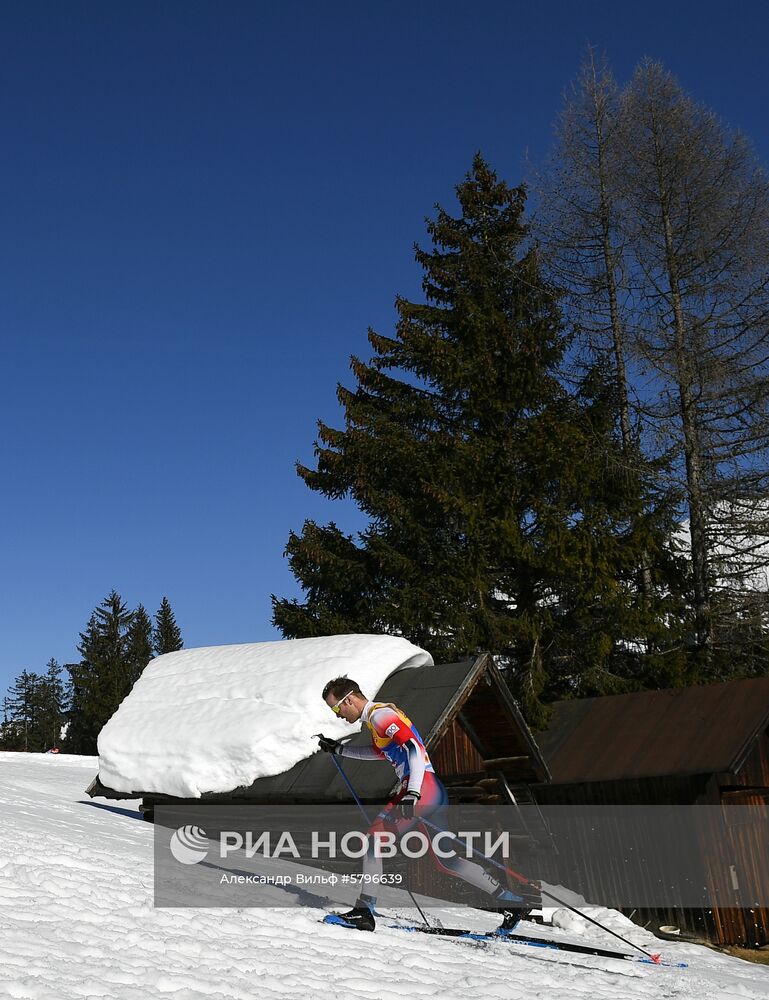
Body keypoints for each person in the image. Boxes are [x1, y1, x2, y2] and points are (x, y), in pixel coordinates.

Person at [318, 676, 528, 932]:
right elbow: (380, 752)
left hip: (421, 789)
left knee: (373, 841)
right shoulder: (377, 719)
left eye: (337, 709)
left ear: (348, 699)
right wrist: (340, 750)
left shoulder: (380, 716)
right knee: (447, 860)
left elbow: (414, 749)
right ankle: (511, 901)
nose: (338, 715)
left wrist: (412, 793)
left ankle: (364, 912)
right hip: (432, 790)